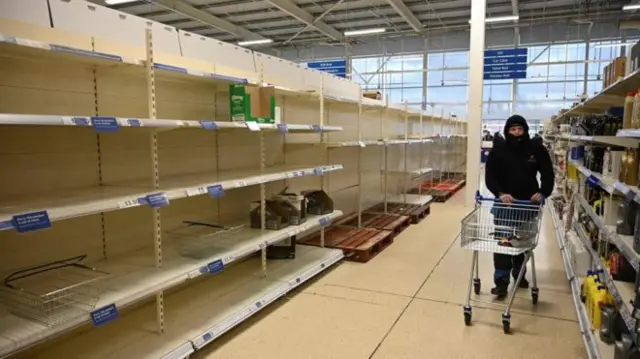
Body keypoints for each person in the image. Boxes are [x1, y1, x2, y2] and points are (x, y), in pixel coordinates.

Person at [485, 115, 554, 298]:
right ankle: (501, 282)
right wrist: (500, 193)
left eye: (520, 129)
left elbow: (548, 173)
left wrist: (543, 192)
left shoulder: (536, 149)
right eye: (513, 130)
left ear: (525, 130)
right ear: (507, 131)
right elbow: (490, 176)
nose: (517, 133)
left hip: (527, 205)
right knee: (504, 243)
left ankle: (520, 273)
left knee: (522, 243)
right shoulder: (499, 150)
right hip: (505, 206)